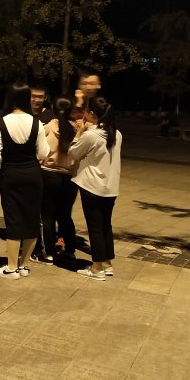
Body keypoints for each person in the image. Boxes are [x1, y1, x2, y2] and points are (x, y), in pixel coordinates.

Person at [0, 83, 50, 279]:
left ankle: (11, 267)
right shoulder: (37, 123)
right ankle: (24, 265)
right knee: (32, 218)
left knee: (13, 218)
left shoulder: (0, 122)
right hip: (33, 174)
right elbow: (44, 153)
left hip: (10, 175)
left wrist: (11, 157)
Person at [68, 96, 122, 281]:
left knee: (95, 228)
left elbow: (73, 153)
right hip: (111, 187)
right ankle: (107, 264)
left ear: (91, 113)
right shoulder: (116, 133)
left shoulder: (91, 135)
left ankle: (97, 268)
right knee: (106, 225)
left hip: (92, 186)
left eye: (86, 111)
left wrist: (79, 133)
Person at [37, 96, 79, 262]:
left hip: (49, 174)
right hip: (70, 178)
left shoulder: (49, 127)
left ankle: (48, 253)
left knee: (47, 216)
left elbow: (39, 149)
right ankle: (70, 250)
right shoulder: (78, 129)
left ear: (53, 109)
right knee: (65, 215)